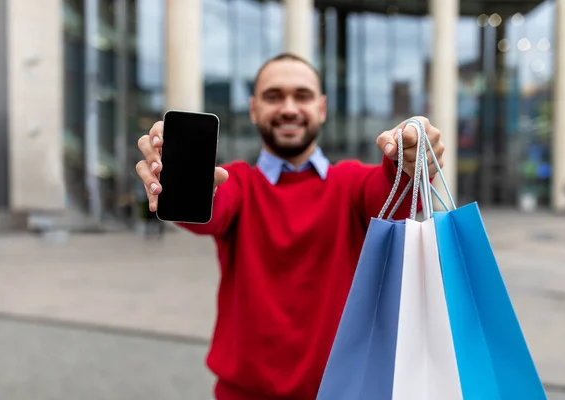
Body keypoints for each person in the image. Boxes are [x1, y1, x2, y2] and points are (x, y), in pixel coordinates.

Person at [136, 53, 445, 400]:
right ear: (253, 109)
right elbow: (214, 206)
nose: (288, 108)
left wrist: (411, 159)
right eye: (273, 96)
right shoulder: (238, 182)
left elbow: (395, 193)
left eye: (302, 95)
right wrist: (180, 179)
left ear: (322, 108)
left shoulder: (352, 184)